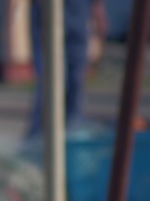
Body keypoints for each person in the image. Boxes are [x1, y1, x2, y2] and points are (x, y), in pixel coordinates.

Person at [27, 0, 108, 138]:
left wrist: (98, 15)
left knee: (75, 78)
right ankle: (39, 136)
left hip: (79, 11)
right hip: (49, 10)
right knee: (53, 78)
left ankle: (71, 133)